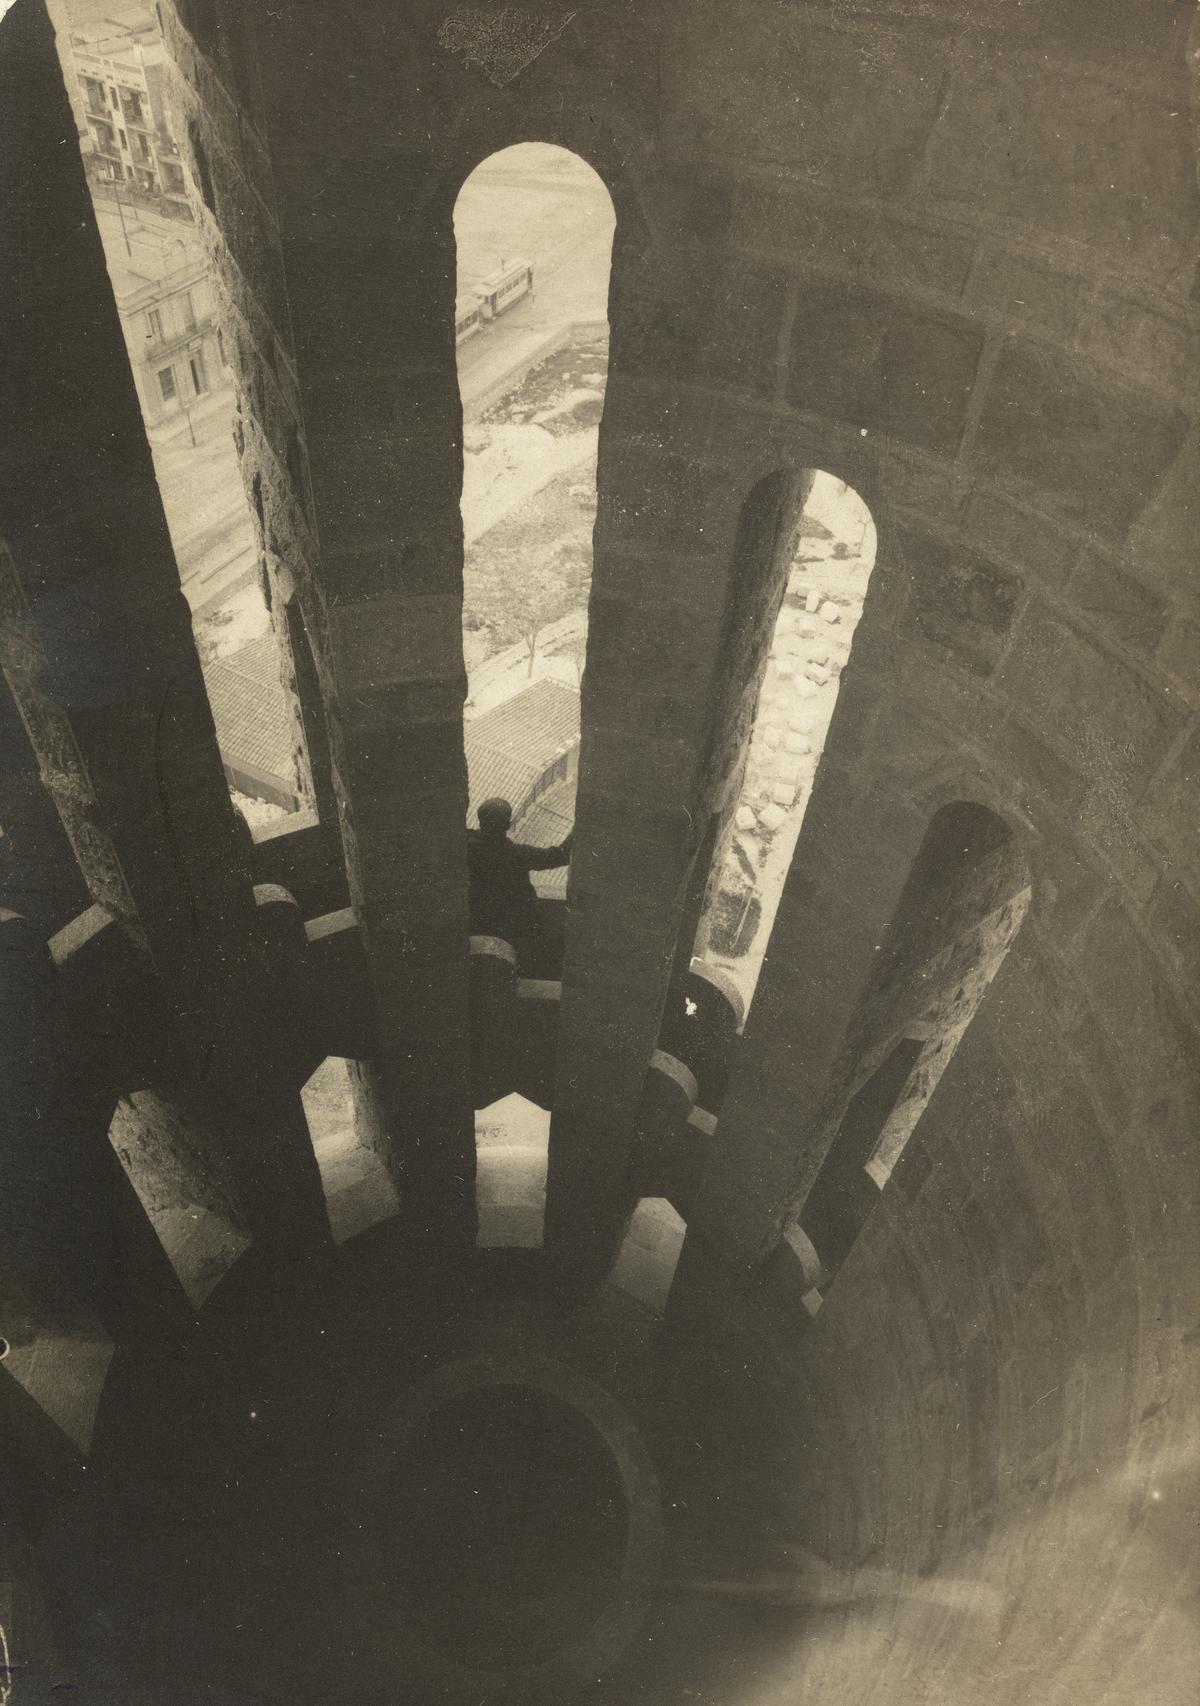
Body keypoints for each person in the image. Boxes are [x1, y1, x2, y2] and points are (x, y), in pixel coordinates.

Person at [467, 796, 573, 967]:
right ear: (507, 825)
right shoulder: (518, 855)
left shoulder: (466, 844)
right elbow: (560, 855)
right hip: (511, 929)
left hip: (474, 923)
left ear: (480, 819)